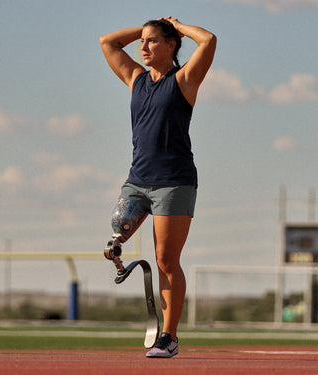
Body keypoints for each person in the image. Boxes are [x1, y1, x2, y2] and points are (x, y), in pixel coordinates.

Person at [99, 17, 216, 358]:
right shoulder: (136, 78)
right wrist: (146, 28)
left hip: (174, 182)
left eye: (152, 41)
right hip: (137, 181)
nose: (144, 47)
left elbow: (207, 41)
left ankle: (170, 336)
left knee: (166, 259)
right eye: (142, 42)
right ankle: (119, 252)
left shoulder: (184, 80)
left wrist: (176, 25)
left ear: (172, 46)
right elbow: (108, 42)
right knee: (117, 232)